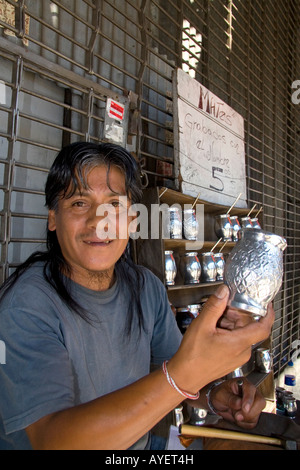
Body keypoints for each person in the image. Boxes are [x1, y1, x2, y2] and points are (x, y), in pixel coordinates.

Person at [0, 142, 274, 450]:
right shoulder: (25, 305)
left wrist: (214, 393)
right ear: (53, 218)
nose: (97, 221)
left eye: (114, 206)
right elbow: (54, 442)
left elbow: (172, 364)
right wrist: (183, 376)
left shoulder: (146, 287)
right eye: (79, 203)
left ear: (132, 221)